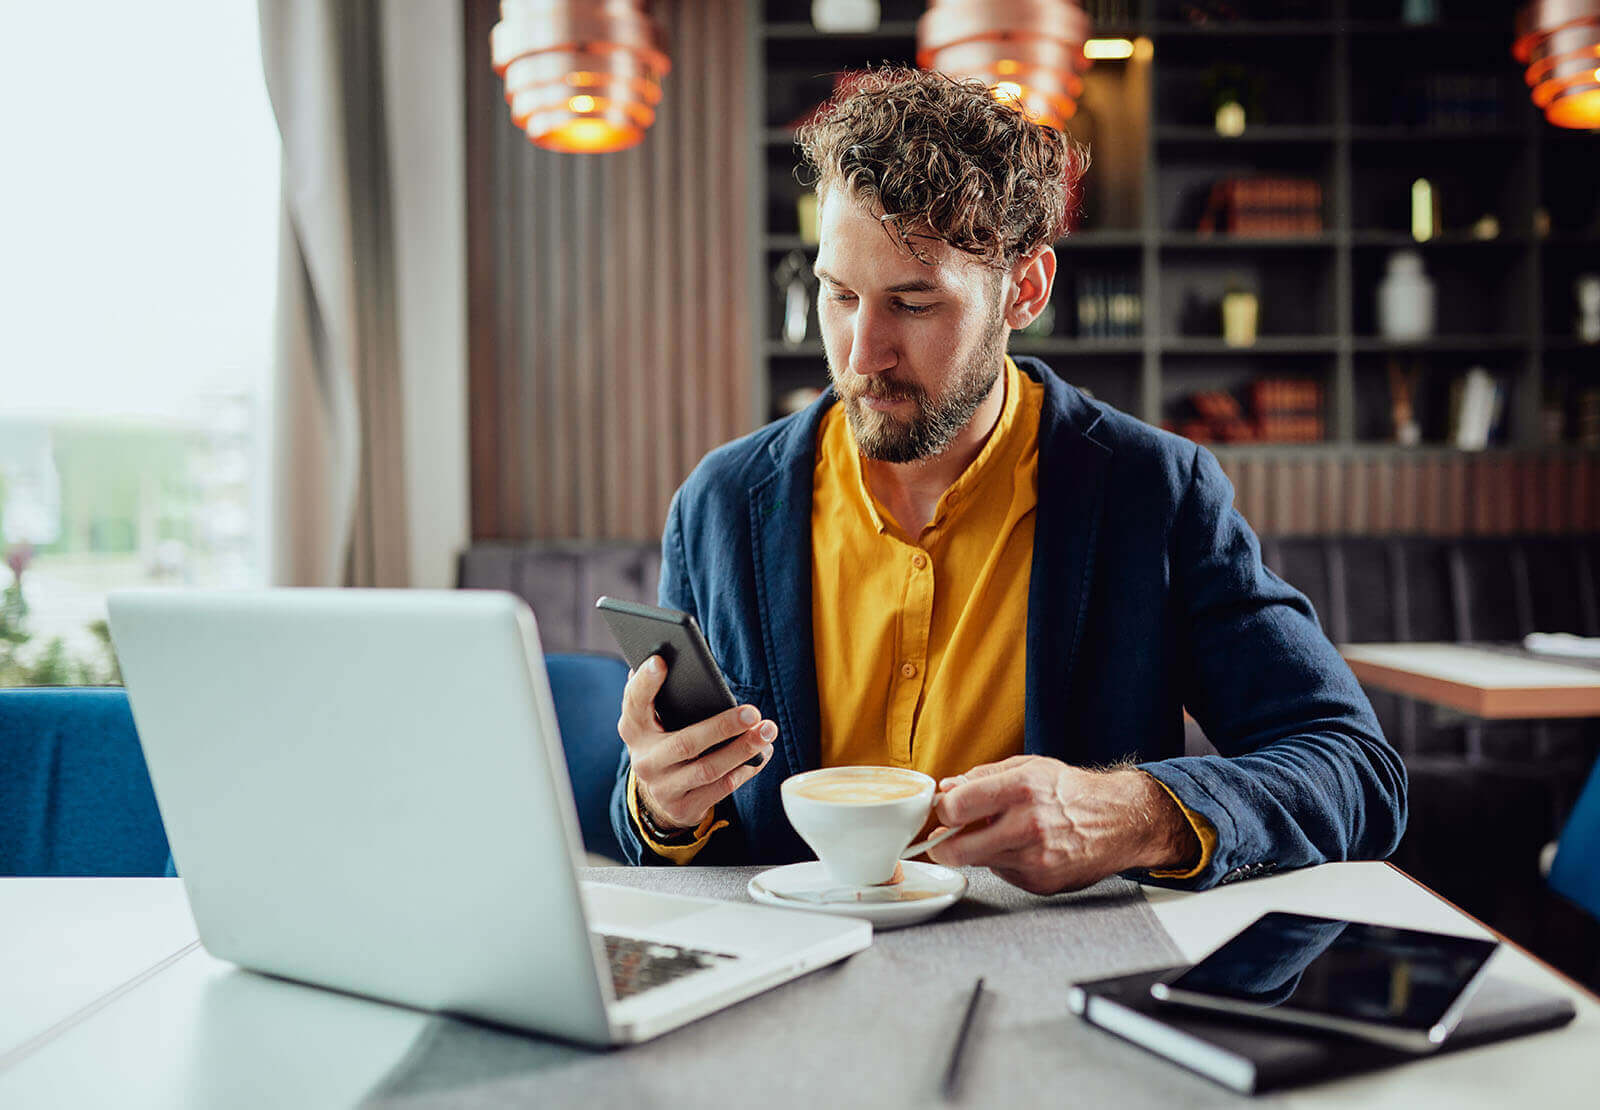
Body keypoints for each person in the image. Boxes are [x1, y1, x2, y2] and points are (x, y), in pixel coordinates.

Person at [609, 67, 1406, 893]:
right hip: (791, 961)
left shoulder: (1156, 496)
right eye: (839, 295)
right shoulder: (718, 505)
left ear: (1024, 290)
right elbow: (663, 822)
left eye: (913, 304)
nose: (861, 355)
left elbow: (1357, 770)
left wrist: (1133, 813)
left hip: (1062, 962)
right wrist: (660, 804)